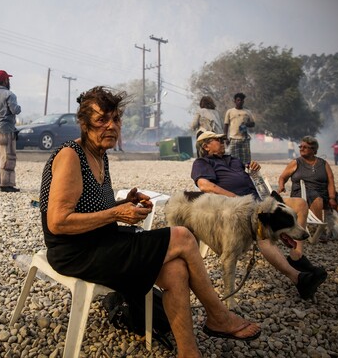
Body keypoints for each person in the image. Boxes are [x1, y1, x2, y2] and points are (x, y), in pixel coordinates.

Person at [40, 86, 260, 356]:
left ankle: (188, 352)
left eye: (116, 119)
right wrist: (116, 214)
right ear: (84, 124)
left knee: (177, 270)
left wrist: (123, 204)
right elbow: (58, 222)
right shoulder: (70, 156)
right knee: (182, 236)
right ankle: (219, 316)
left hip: (101, 241)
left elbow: (88, 206)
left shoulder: (99, 154)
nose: (111, 126)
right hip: (76, 252)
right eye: (101, 120)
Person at [191, 129, 327, 300]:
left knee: (300, 204)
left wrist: (254, 169)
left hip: (260, 200)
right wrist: (236, 198)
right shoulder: (202, 163)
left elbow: (251, 175)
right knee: (263, 230)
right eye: (218, 140)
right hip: (238, 209)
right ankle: (298, 278)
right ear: (206, 146)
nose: (223, 142)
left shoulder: (233, 160)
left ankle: (296, 256)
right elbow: (206, 186)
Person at [278, 136, 338, 243]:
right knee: (317, 199)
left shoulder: (323, 163)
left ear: (314, 150)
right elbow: (282, 177)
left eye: (305, 147)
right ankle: (318, 231)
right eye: (300, 146)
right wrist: (281, 186)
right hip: (303, 193)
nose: (301, 149)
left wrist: (332, 197)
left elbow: (330, 180)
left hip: (324, 192)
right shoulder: (296, 162)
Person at [223, 92, 255, 164]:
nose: (240, 102)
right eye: (238, 100)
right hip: (233, 139)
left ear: (243, 101)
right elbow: (226, 125)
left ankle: (244, 173)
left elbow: (253, 123)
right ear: (234, 101)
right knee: (233, 159)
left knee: (246, 160)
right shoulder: (230, 112)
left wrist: (247, 124)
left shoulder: (247, 112)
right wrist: (225, 138)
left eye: (242, 100)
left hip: (244, 139)